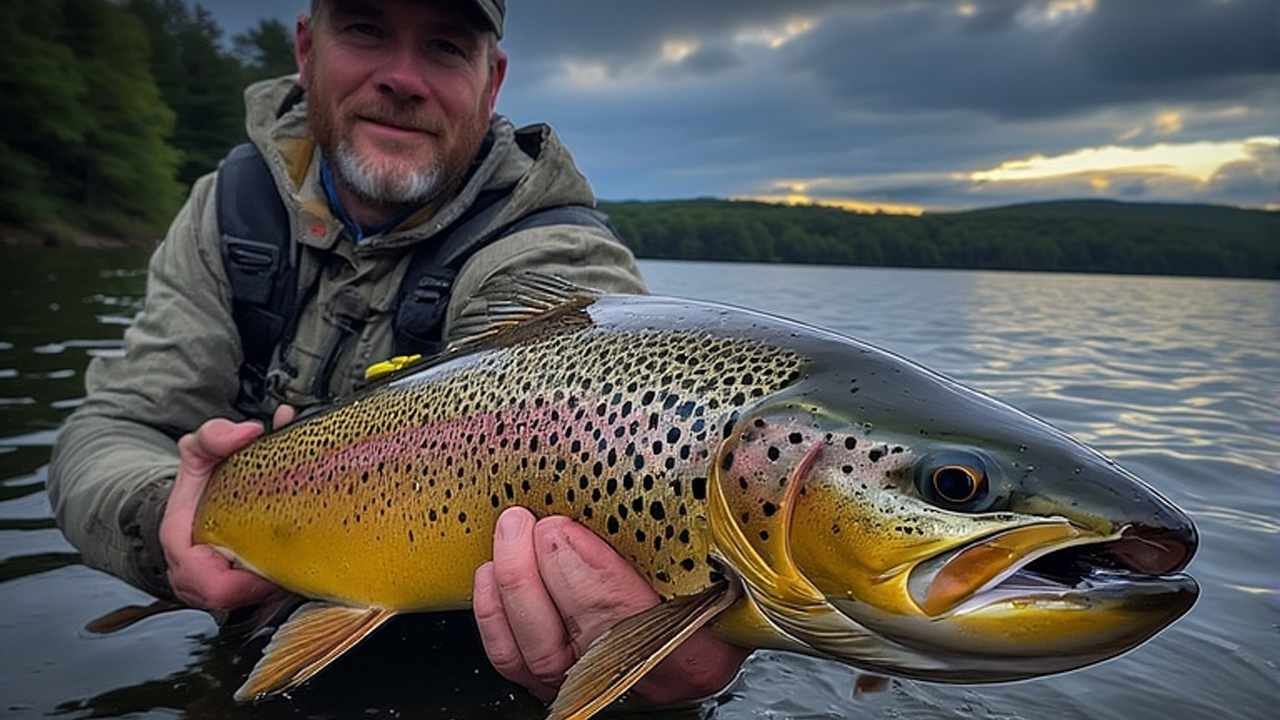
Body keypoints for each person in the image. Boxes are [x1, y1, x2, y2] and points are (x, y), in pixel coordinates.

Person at [48, 0, 746, 708]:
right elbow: (110, 427)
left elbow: (619, 380)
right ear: (306, 49)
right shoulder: (229, 213)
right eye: (365, 28)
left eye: (445, 47)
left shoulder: (554, 257)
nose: (403, 77)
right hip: (264, 626)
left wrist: (654, 660)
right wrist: (166, 520)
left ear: (492, 80)